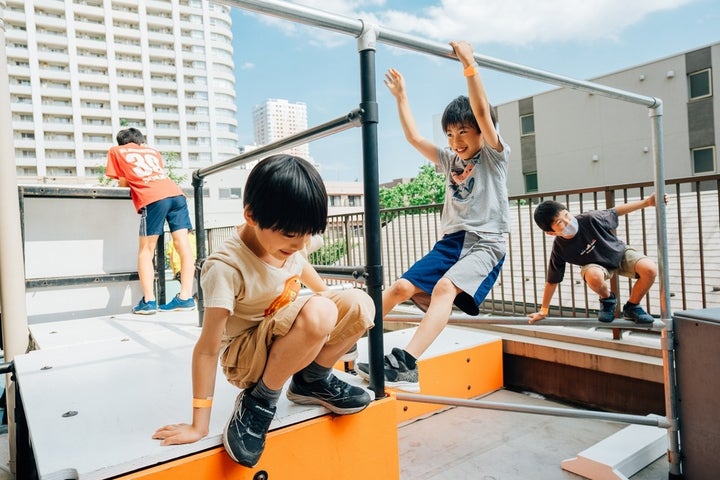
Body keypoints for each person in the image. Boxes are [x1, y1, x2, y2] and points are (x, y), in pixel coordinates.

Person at [152, 154, 375, 468]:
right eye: (290, 236)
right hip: (244, 358)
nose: (299, 244)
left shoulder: (290, 240)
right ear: (251, 215)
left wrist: (343, 326)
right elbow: (207, 349)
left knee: (360, 304)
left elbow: (303, 266)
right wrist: (198, 424)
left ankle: (311, 380)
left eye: (306, 235)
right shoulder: (225, 267)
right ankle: (260, 401)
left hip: (281, 338)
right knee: (321, 311)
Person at [356, 40, 510, 392]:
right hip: (450, 243)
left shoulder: (493, 157)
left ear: (480, 134)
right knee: (399, 287)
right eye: (451, 134)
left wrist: (469, 64)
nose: (456, 141)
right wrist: (401, 96)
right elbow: (413, 137)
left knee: (443, 288)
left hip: (485, 243)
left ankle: (406, 365)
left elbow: (483, 113)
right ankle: (343, 333)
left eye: (463, 133)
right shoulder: (449, 160)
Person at [528, 193, 667, 325]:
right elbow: (552, 280)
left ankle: (632, 306)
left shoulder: (589, 219)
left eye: (566, 215)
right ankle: (607, 300)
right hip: (594, 265)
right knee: (593, 276)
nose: (568, 221)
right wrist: (543, 310)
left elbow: (614, 211)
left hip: (618, 252)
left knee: (650, 268)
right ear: (551, 233)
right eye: (560, 223)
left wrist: (647, 202)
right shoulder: (559, 248)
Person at [105, 127, 196, 314]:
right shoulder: (153, 151)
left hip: (153, 197)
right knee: (183, 246)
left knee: (146, 251)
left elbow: (123, 183)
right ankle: (186, 297)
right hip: (176, 194)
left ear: (121, 142)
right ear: (141, 141)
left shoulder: (117, 151)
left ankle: (148, 301)